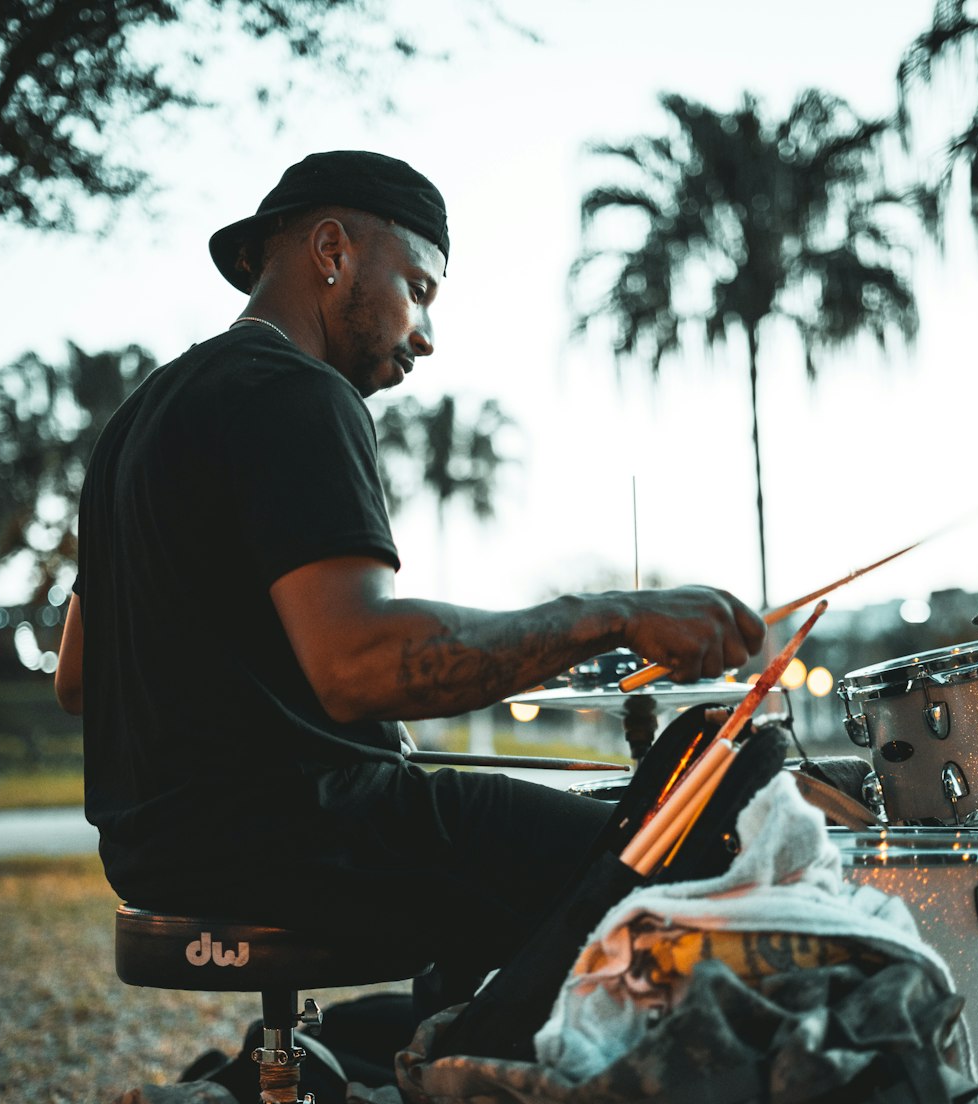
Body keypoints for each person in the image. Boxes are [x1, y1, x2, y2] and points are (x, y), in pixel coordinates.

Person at [55, 150, 764, 991]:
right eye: (419, 289)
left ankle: (434, 1075)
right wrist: (610, 615)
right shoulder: (298, 395)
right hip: (298, 837)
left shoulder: (138, 422)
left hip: (158, 856)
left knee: (550, 848)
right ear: (332, 252)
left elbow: (76, 678)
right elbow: (364, 666)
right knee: (695, 862)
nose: (425, 335)